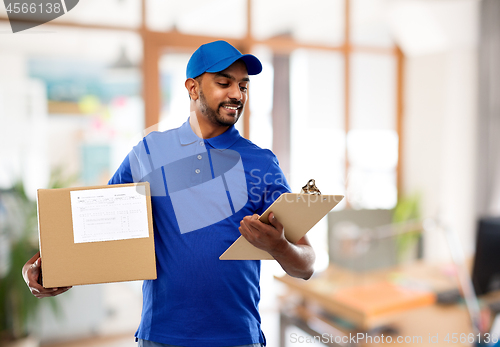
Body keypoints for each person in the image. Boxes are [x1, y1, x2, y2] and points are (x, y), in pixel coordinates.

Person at [22, 40, 315, 347]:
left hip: (237, 337)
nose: (236, 94)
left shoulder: (261, 163)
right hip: (161, 336)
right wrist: (40, 269)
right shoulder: (149, 152)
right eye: (224, 83)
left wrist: (278, 246)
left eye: (243, 85)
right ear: (193, 88)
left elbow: (306, 265)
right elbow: (95, 227)